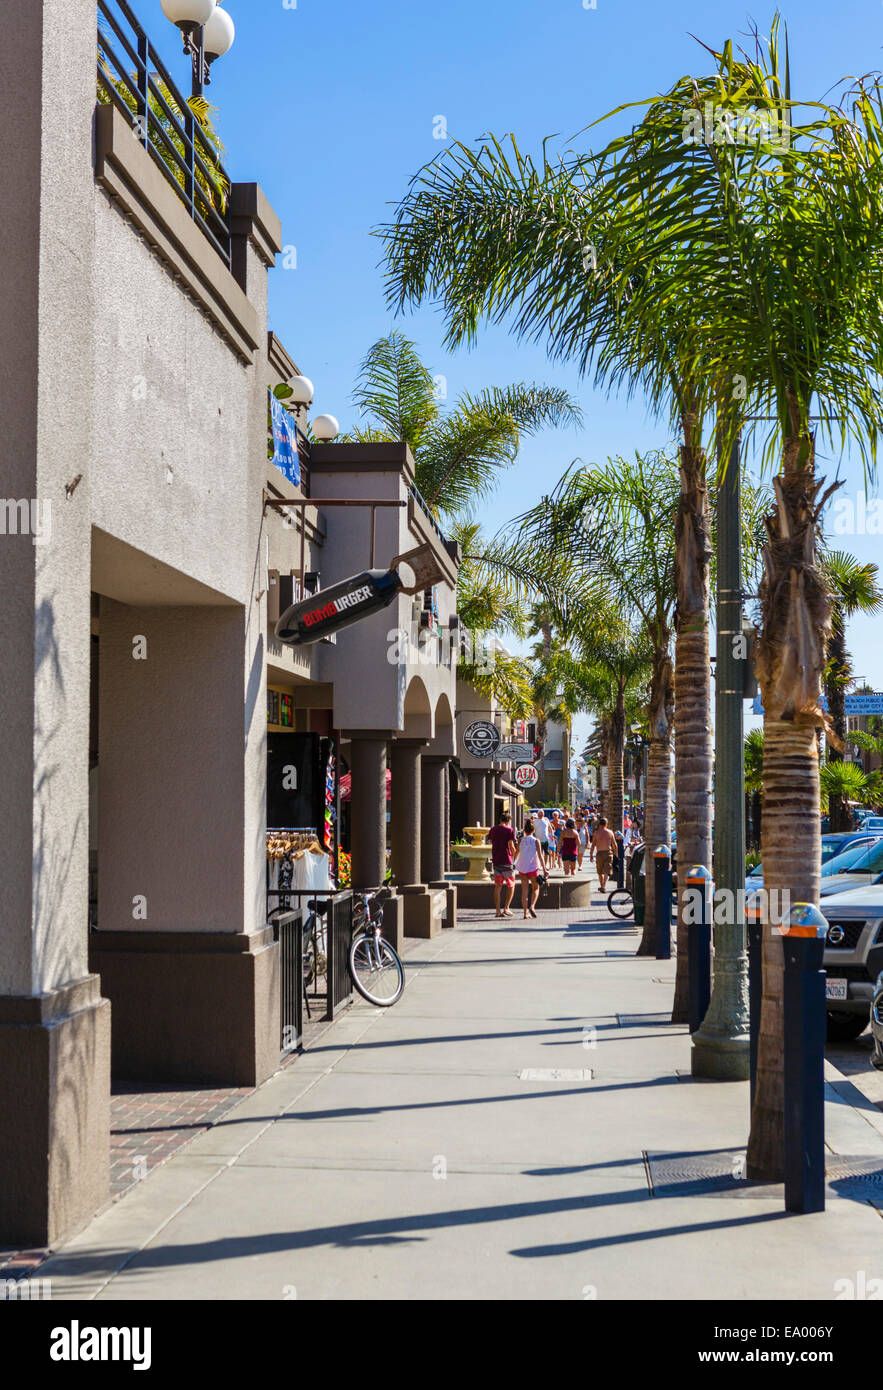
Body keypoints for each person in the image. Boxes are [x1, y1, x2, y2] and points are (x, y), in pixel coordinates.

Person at [514, 816, 547, 919]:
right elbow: (541, 856)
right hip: (533, 868)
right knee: (535, 888)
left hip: (522, 867)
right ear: (533, 830)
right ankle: (532, 906)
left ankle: (525, 913)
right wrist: (545, 869)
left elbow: (516, 853)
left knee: (524, 891)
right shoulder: (536, 841)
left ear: (525, 830)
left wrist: (512, 862)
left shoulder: (520, 840)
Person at [488, 810, 517, 919]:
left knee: (498, 886)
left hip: (496, 861)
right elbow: (511, 846)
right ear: (508, 820)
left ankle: (497, 911)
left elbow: (492, 842)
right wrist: (516, 858)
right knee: (511, 885)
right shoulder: (509, 830)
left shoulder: (493, 829)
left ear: (500, 820)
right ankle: (506, 908)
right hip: (507, 861)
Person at [590, 815, 618, 893]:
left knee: (599, 871)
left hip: (599, 853)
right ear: (606, 824)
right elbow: (615, 844)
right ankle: (603, 886)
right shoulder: (610, 832)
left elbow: (593, 845)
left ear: (599, 824)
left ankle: (602, 885)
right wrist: (616, 854)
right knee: (607, 870)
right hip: (608, 853)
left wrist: (591, 855)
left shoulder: (596, 833)